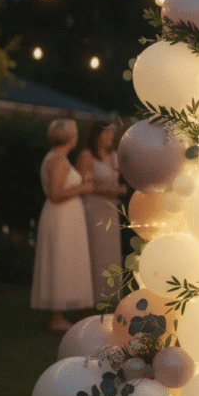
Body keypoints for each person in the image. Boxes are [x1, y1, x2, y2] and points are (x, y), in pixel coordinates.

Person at [30, 118, 95, 332]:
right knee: (60, 260)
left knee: (64, 260)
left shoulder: (58, 158)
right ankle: (56, 317)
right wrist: (82, 188)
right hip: (60, 217)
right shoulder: (57, 160)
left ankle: (60, 314)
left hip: (64, 218)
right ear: (70, 137)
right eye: (75, 132)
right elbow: (56, 194)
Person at [76, 120, 127, 306]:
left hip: (110, 210)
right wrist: (111, 191)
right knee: (96, 252)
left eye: (111, 134)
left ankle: (110, 296)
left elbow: (118, 179)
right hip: (94, 209)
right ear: (97, 136)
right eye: (106, 133)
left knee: (111, 252)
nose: (110, 137)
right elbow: (82, 187)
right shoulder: (87, 156)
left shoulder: (113, 156)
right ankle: (91, 297)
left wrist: (119, 187)